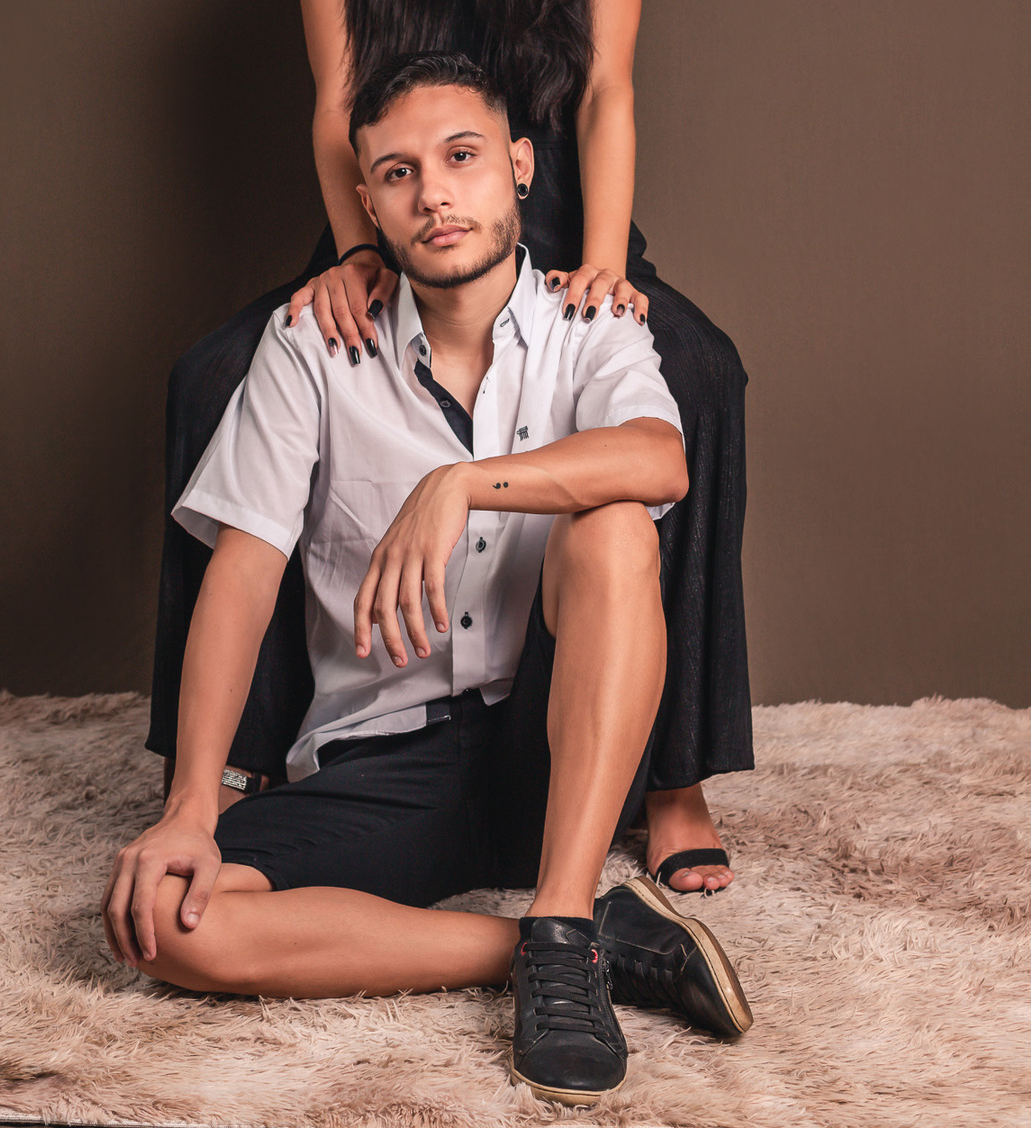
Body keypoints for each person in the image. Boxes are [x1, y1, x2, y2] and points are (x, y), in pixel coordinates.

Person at [149, 0, 751, 896]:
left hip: (560, 229)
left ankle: (675, 776)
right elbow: (337, 110)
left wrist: (602, 263)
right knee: (212, 378)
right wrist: (357, 252)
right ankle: (229, 765)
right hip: (394, 229)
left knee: (700, 376)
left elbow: (607, 94)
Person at [105, 57, 752, 1107]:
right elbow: (243, 573)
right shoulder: (312, 345)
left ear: (521, 166)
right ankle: (572, 942)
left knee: (614, 528)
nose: (435, 195)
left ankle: (562, 903)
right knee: (168, 926)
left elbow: (659, 459)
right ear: (367, 202)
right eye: (399, 173)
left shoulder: (589, 323)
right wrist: (189, 806)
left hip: (556, 752)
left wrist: (461, 484)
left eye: (462, 158)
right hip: (383, 757)